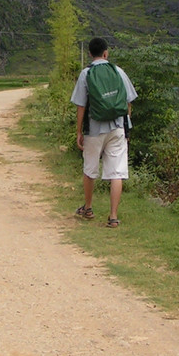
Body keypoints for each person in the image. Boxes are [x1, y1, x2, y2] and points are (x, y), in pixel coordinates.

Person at [70, 37, 137, 228]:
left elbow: (81, 106)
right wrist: (126, 126)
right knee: (116, 172)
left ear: (90, 54)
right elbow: (128, 101)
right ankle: (113, 217)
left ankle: (88, 208)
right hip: (117, 128)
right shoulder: (118, 71)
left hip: (94, 129)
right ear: (106, 53)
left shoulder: (86, 74)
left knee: (90, 169)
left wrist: (78, 131)